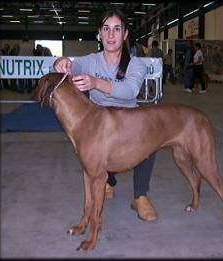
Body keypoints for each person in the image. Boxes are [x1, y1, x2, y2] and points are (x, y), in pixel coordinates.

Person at [53, 9, 157, 221]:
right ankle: (108, 180)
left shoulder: (136, 63)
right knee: (96, 145)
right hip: (99, 123)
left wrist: (95, 82)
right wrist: (61, 61)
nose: (111, 35)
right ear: (99, 33)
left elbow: (130, 91)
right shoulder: (91, 60)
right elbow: (70, 65)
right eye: (106, 29)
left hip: (128, 120)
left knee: (151, 139)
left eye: (117, 29)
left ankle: (140, 196)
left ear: (125, 34)